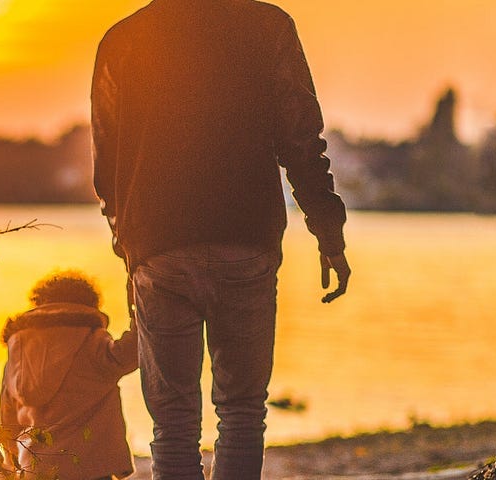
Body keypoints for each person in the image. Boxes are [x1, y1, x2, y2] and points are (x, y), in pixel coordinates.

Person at [91, 1, 352, 478]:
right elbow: (301, 138)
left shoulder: (123, 40)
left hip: (159, 246)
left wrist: (127, 249)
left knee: (171, 422)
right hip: (244, 237)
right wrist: (328, 231)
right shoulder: (268, 26)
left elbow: (108, 164)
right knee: (243, 413)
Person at [0, 270, 141, 479]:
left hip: (36, 468)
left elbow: (7, 419)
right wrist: (139, 301)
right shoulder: (92, 342)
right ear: (89, 305)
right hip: (90, 466)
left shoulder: (19, 350)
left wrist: (13, 462)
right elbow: (134, 349)